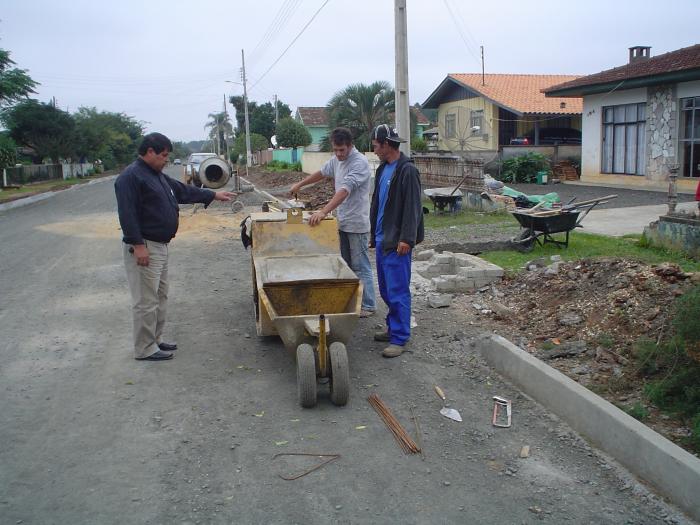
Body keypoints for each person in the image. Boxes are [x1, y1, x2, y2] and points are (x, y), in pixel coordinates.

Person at [114, 133, 235, 361]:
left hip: (160, 246)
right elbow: (127, 214)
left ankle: (155, 340)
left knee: (160, 297)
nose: (166, 161)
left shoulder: (155, 175)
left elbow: (182, 191)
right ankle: (144, 348)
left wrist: (212, 194)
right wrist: (137, 245)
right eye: (163, 156)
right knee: (145, 301)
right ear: (150, 152)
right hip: (145, 247)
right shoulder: (131, 177)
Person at [289, 127, 376, 317]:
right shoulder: (337, 160)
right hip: (343, 220)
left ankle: (368, 305)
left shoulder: (359, 163)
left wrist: (323, 211)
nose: (338, 154)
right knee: (345, 263)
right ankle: (352, 300)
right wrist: (300, 184)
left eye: (342, 150)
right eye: (335, 150)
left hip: (357, 222)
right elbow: (322, 172)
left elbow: (344, 190)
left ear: (350, 146)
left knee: (360, 265)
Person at [369, 124, 424, 358]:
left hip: (398, 242)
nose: (374, 150)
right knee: (386, 289)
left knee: (398, 289)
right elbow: (377, 204)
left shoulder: (407, 171)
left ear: (386, 144)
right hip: (383, 239)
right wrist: (373, 235)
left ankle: (400, 338)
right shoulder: (383, 170)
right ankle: (393, 329)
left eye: (375, 146)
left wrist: (407, 239)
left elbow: (413, 207)